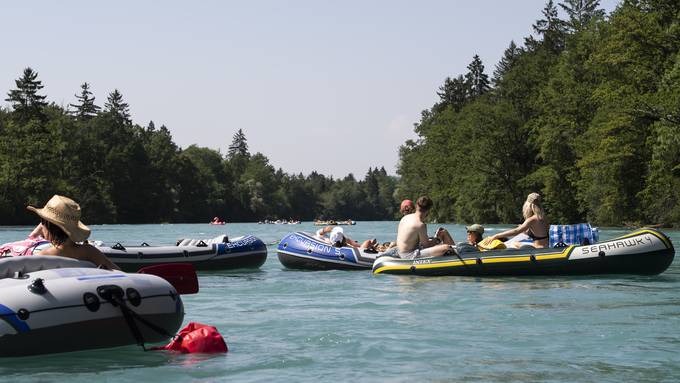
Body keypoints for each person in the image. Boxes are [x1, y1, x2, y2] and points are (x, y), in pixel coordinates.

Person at [27, 195, 119, 270]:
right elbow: (118, 272)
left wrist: (43, 226)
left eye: (42, 222)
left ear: (47, 226)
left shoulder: (42, 256)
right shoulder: (90, 252)